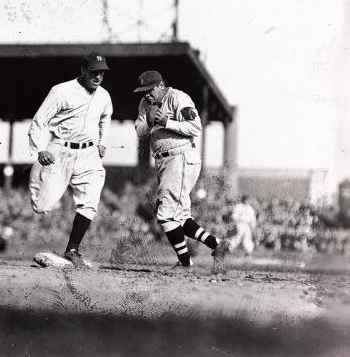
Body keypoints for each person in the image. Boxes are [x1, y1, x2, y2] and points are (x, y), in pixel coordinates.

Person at [133, 70, 230, 273]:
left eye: (150, 90)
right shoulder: (145, 102)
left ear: (161, 85)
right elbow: (140, 131)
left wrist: (166, 122)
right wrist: (150, 123)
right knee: (180, 216)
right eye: (144, 91)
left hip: (181, 156)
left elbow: (195, 127)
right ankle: (217, 245)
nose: (147, 94)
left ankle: (185, 263)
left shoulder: (178, 97)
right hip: (163, 160)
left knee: (166, 215)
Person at [28, 52, 113, 268]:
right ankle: (36, 177)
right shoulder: (61, 91)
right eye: (94, 71)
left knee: (90, 200)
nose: (98, 76)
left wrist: (102, 142)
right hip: (60, 150)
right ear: (83, 70)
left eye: (102, 72)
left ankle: (72, 249)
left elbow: (105, 119)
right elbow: (39, 122)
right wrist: (40, 150)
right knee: (41, 205)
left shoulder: (104, 96)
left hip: (88, 154)